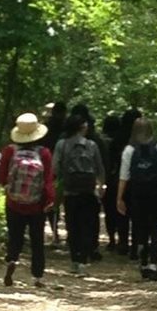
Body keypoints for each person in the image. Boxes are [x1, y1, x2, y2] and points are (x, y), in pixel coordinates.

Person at [0, 113, 55, 287]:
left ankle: (11, 261)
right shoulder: (44, 153)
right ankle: (37, 276)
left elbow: (2, 176)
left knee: (15, 236)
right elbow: (47, 179)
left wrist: (8, 188)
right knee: (37, 240)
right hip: (37, 205)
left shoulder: (10, 151)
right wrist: (50, 200)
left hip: (13, 203)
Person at [117, 117, 157, 282]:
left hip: (137, 196)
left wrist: (119, 198)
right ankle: (153, 265)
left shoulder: (129, 150)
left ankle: (143, 263)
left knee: (140, 228)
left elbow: (124, 176)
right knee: (155, 229)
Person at [53, 112, 105, 274]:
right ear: (83, 127)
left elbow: (55, 167)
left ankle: (75, 259)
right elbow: (99, 168)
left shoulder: (62, 144)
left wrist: (57, 184)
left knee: (72, 224)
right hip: (88, 190)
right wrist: (101, 186)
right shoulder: (92, 145)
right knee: (86, 224)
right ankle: (83, 259)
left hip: (70, 190)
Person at [114, 107, 142, 256]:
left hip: (120, 179)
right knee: (138, 213)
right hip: (141, 180)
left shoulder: (119, 136)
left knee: (122, 212)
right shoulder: (143, 138)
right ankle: (136, 244)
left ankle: (123, 241)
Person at [42, 101, 67, 246]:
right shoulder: (67, 127)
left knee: (50, 200)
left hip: (47, 167)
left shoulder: (45, 127)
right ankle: (63, 234)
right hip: (64, 168)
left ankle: (55, 231)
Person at [101, 112, 122, 250]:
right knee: (121, 211)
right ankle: (122, 239)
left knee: (109, 211)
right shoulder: (123, 141)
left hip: (107, 179)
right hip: (121, 180)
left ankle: (112, 239)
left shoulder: (102, 141)